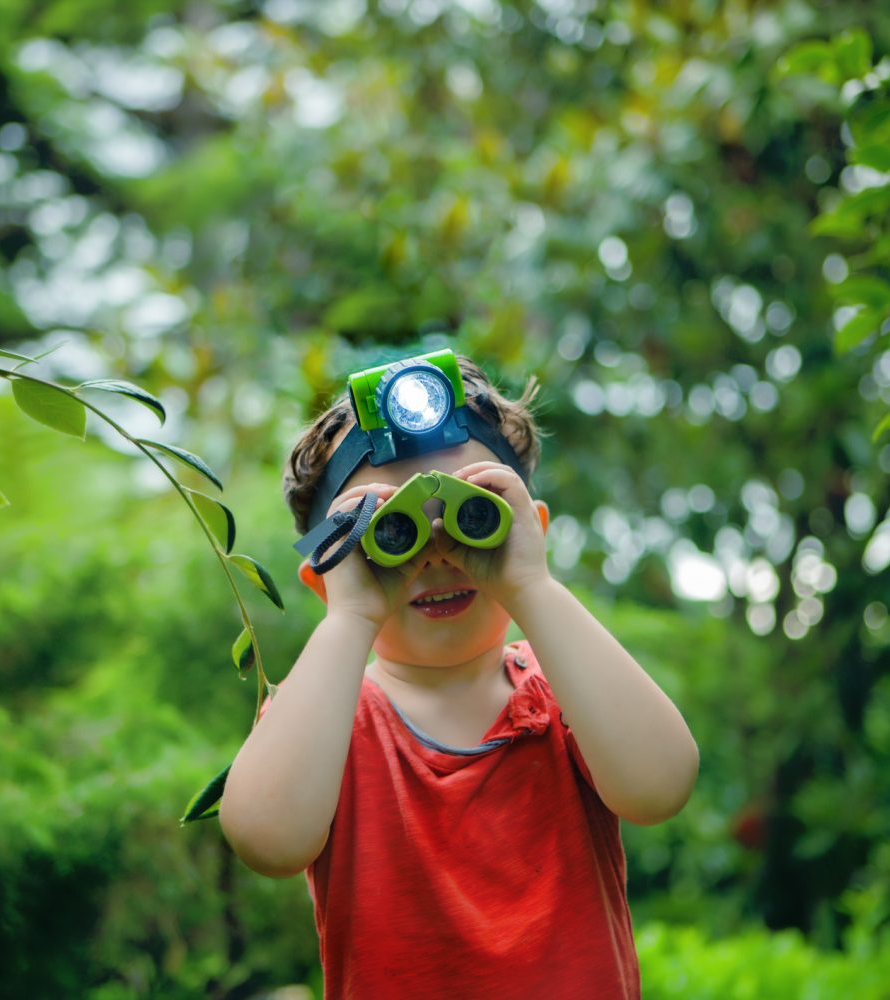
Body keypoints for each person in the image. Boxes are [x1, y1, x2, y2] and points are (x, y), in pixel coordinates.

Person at [219, 351, 699, 998]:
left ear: (530, 529)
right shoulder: (329, 719)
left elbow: (661, 786)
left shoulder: (567, 694)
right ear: (327, 577)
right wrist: (351, 616)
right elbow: (266, 840)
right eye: (391, 532)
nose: (437, 556)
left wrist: (530, 583)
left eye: (475, 515)